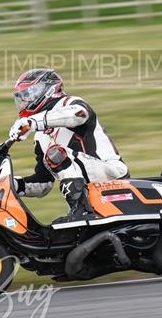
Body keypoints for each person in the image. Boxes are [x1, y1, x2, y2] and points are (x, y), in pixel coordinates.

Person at [8, 68, 128, 222]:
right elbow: (44, 182)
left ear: (47, 90)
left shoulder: (69, 103)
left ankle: (82, 211)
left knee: (56, 153)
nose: (23, 102)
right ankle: (79, 209)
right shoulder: (40, 136)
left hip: (112, 177)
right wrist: (16, 185)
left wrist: (33, 123)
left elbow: (79, 114)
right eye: (20, 98)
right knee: (54, 155)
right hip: (89, 194)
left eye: (27, 95)